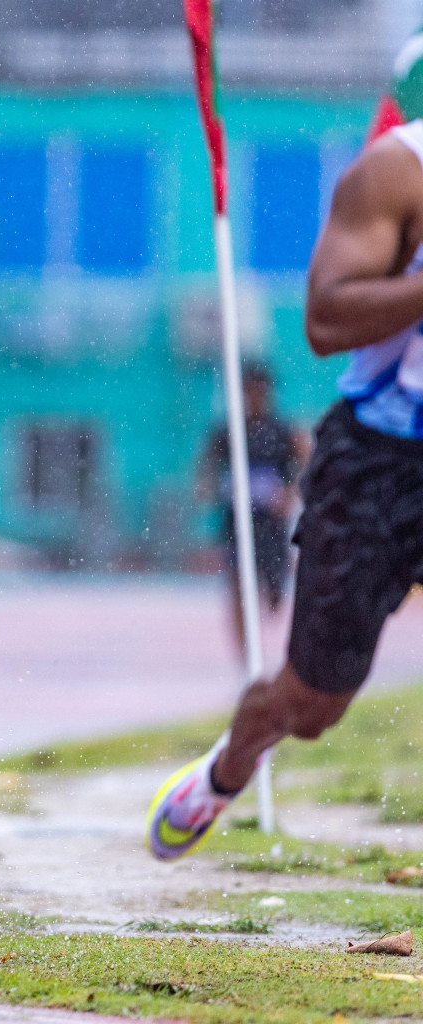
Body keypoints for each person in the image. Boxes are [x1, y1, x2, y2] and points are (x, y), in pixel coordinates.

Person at [146, 69, 423, 860]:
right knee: (313, 704)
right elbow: (327, 316)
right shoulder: (397, 172)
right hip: (383, 461)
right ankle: (227, 770)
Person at [195, 362, 308, 651]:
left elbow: (305, 467)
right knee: (239, 586)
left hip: (271, 523)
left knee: (274, 590)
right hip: (237, 521)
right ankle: (245, 656)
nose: (254, 396)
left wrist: (289, 494)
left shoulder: (283, 431)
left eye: (259, 390)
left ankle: (273, 622)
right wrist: (209, 489)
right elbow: (205, 470)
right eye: (248, 390)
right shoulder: (228, 432)